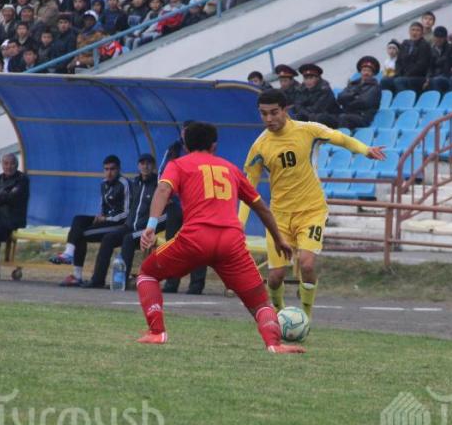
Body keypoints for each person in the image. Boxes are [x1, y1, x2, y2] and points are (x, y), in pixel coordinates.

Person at [134, 122, 300, 352]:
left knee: (147, 273)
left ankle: (156, 332)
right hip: (231, 242)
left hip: (196, 239)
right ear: (214, 146)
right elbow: (261, 207)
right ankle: (274, 343)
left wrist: (151, 226)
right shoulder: (231, 169)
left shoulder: (178, 164)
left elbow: (163, 190)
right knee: (260, 302)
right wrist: (279, 239)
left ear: (185, 145)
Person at [241, 90, 385, 318]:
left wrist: (365, 150)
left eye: (274, 112)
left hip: (311, 211)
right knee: (276, 276)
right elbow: (248, 189)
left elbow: (340, 138)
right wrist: (239, 224)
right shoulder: (260, 146)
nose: (269, 118)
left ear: (285, 110)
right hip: (279, 218)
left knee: (307, 265)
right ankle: (279, 314)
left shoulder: (307, 131)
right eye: (263, 114)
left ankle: (305, 317)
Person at [82, 154, 164, 289]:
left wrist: (152, 226)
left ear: (154, 166)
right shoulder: (135, 183)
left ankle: (121, 282)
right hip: (129, 225)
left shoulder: (159, 185)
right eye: (142, 163)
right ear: (138, 166)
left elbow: (164, 207)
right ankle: (97, 280)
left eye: (148, 163)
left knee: (128, 239)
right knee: (108, 238)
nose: (145, 166)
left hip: (145, 228)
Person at [50, 154, 131, 286]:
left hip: (119, 223)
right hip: (106, 220)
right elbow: (104, 206)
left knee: (81, 234)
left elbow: (126, 213)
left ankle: (77, 276)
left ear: (119, 169)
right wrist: (100, 217)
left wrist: (107, 218)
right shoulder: (103, 184)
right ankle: (68, 253)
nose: (109, 173)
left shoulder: (124, 183)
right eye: (106, 169)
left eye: (112, 169)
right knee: (78, 219)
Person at [159, 123, 208, 294]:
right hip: (176, 205)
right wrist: (165, 195)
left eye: (189, 131)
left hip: (196, 206)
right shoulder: (173, 149)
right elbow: (163, 172)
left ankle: (196, 285)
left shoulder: (204, 150)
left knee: (198, 245)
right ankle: (171, 283)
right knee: (173, 244)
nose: (186, 134)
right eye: (184, 131)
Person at [381, 21, 431, 95]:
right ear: (409, 31)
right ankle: (389, 101)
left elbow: (421, 65)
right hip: (403, 75)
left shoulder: (424, 45)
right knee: (385, 81)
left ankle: (404, 100)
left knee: (399, 81)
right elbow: (398, 62)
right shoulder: (405, 43)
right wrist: (399, 73)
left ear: (422, 33)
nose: (415, 32)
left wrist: (406, 74)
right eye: (413, 30)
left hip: (418, 76)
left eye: (418, 30)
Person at [337, 56, 383, 129]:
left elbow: (364, 102)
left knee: (343, 118)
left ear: (373, 74)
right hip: (348, 113)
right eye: (364, 70)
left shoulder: (375, 87)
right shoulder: (353, 84)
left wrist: (347, 101)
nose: (366, 73)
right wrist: (354, 96)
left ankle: (342, 136)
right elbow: (340, 97)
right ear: (360, 72)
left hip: (362, 117)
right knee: (327, 118)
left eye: (369, 71)